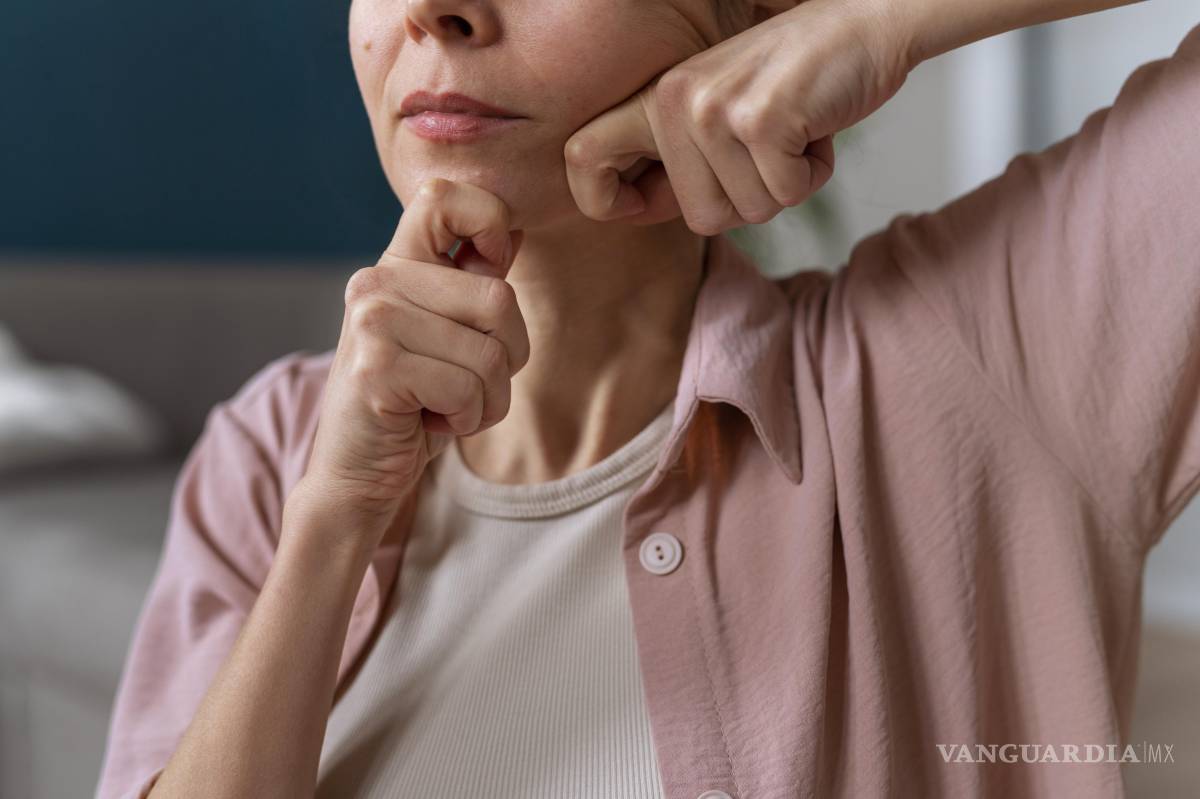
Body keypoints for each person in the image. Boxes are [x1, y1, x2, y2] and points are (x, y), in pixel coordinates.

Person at [97, 0, 1200, 796]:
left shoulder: (981, 364)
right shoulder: (270, 450)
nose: (437, 12)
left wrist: (877, 20)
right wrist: (331, 520)